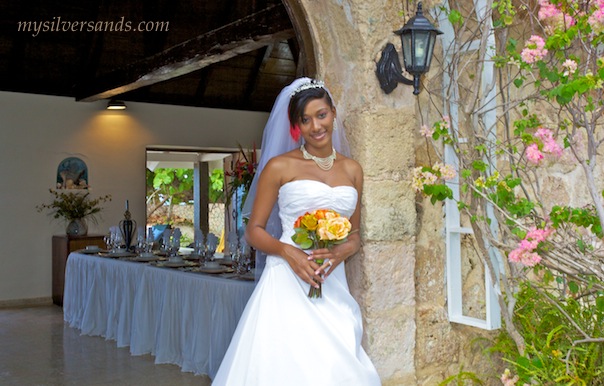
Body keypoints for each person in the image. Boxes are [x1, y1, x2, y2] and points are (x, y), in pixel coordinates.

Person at [212, 77, 381, 386]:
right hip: (287, 280)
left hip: (332, 280)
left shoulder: (352, 169)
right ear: (295, 126)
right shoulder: (279, 166)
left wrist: (343, 250)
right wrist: (289, 253)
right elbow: (254, 231)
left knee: (336, 368)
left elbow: (354, 234)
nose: (315, 126)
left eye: (321, 115)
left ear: (332, 113)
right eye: (305, 120)